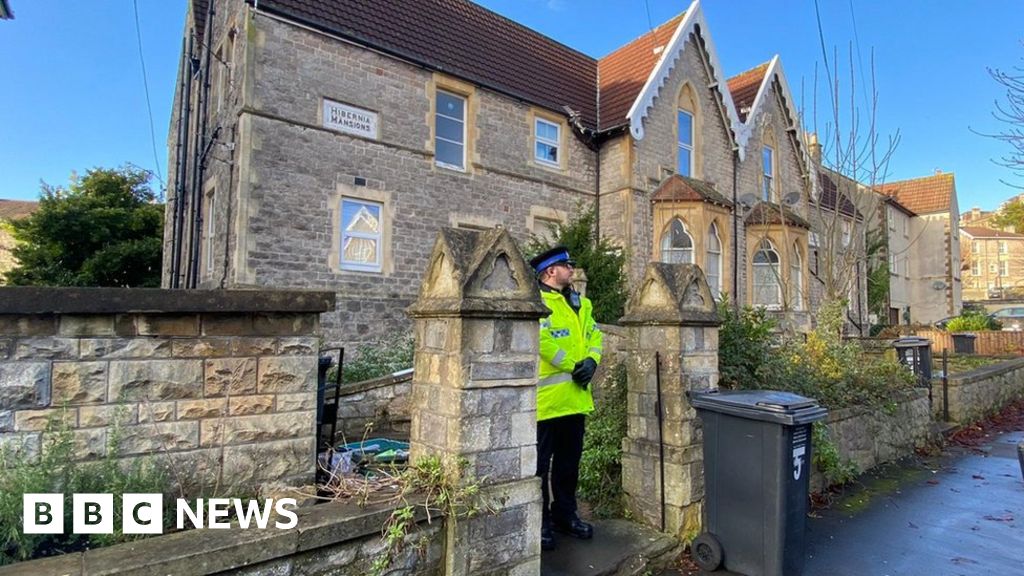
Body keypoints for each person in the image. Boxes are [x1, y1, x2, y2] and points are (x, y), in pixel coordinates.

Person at [529, 245, 603, 551]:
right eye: (566, 265)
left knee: (568, 464)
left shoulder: (580, 302)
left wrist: (591, 362)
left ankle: (565, 515)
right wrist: (572, 365)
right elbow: (542, 341)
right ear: (550, 271)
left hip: (575, 400)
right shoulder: (537, 303)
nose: (571, 269)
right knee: (539, 468)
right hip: (547, 404)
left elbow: (595, 335)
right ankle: (541, 522)